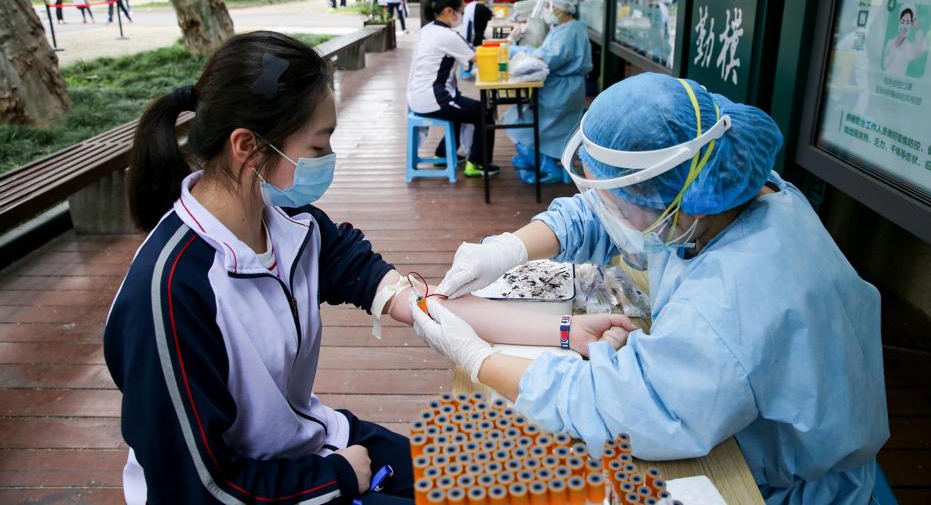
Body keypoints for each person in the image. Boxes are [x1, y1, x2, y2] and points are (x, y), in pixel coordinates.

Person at [107, 30, 634, 503]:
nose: (329, 157)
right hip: (254, 488)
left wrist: (567, 332)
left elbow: (423, 304)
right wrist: (335, 476)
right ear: (248, 147)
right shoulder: (172, 293)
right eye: (318, 143)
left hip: (311, 442)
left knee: (481, 483)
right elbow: (195, 487)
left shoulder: (295, 228)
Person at [410, 73, 889, 504]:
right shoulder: (720, 194)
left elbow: (623, 410)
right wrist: (509, 250)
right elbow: (603, 211)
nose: (605, 210)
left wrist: (478, 359)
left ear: (673, 200)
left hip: (786, 486)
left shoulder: (729, 303)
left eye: (617, 200)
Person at [503, 0, 592, 185]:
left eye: (548, 6)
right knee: (554, 132)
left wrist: (518, 52)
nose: (546, 11)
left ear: (559, 8)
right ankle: (550, 163)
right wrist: (522, 50)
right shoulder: (564, 28)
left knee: (519, 123)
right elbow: (546, 51)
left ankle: (548, 166)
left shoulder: (569, 31)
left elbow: (550, 57)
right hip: (562, 87)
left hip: (561, 91)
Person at [406, 0, 499, 177]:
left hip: (417, 96)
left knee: (462, 107)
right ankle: (477, 164)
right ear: (449, 11)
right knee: (484, 111)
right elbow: (478, 58)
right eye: (461, 11)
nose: (462, 16)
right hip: (434, 98)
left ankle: (444, 153)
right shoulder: (448, 36)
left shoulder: (428, 29)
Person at [458, 0, 494, 79]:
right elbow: (491, 16)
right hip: (476, 36)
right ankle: (474, 71)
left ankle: (467, 71)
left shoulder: (470, 5)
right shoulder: (484, 9)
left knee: (469, 52)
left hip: (468, 34)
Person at [883, 7, 927, 76]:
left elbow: (919, 51)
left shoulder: (910, 47)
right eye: (903, 21)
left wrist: (918, 29)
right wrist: (895, 46)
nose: (905, 25)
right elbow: (885, 65)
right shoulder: (890, 42)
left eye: (908, 22)